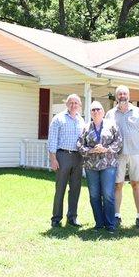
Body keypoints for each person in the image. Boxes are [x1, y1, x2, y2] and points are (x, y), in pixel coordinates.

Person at [105, 85, 139, 229]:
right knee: (117, 185)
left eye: (125, 93)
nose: (122, 96)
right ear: (116, 96)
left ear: (129, 96)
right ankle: (117, 215)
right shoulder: (110, 114)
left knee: (136, 184)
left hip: (136, 153)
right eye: (120, 94)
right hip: (117, 155)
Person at [77, 101, 122, 232]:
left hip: (108, 164)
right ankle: (99, 223)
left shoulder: (111, 125)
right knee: (94, 195)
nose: (96, 112)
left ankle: (110, 224)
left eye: (98, 109)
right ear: (90, 113)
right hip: (91, 166)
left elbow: (119, 141)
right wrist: (90, 151)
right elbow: (79, 144)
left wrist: (106, 149)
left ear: (103, 111)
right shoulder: (86, 128)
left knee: (108, 194)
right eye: (93, 110)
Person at [48, 94, 85, 227]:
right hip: (62, 156)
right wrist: (53, 159)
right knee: (60, 188)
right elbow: (52, 140)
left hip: (78, 157)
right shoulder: (58, 119)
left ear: (80, 105)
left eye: (76, 103)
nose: (73, 105)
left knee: (75, 188)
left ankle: (72, 217)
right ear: (67, 104)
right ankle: (56, 218)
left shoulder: (81, 120)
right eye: (71, 102)